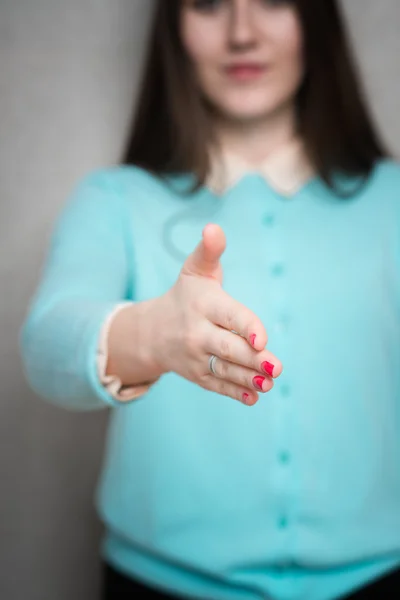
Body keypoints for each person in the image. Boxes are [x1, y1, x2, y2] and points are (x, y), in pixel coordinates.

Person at [20, 0, 400, 599]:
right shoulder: (115, 199)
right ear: (174, 30)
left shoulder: (392, 200)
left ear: (316, 21)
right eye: (208, 5)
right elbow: (45, 346)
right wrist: (152, 336)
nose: (241, 33)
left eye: (273, 1)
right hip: (158, 584)